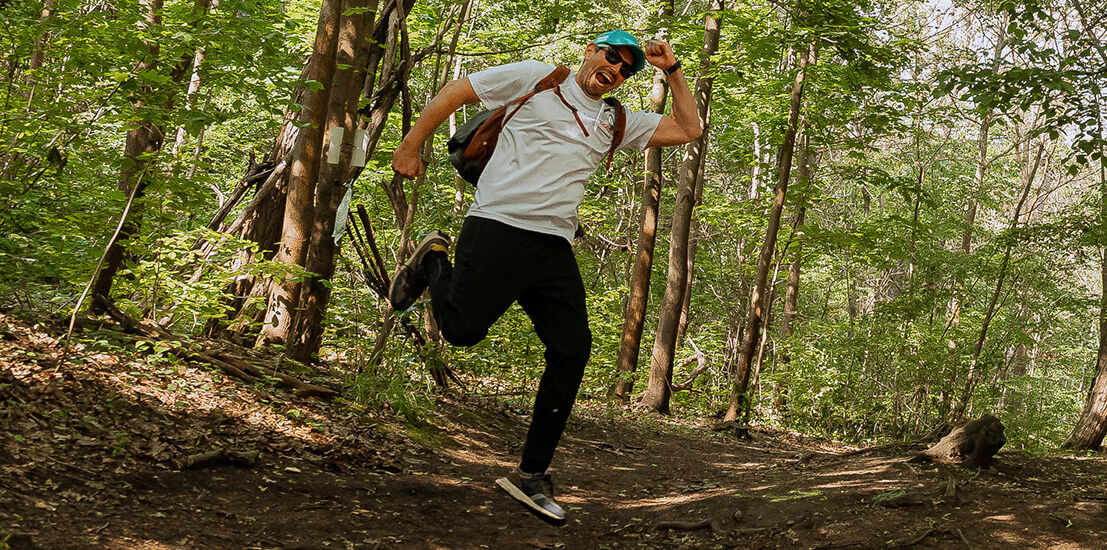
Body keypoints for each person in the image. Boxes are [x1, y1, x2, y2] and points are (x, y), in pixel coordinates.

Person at [390, 29, 701, 522]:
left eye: (626, 68)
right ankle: (433, 259)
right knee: (461, 331)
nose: (616, 69)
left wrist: (673, 70)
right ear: (591, 51)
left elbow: (688, 128)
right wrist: (411, 146)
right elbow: (457, 91)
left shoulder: (615, 121)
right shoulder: (537, 78)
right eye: (612, 56)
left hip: (553, 244)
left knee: (572, 349)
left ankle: (531, 474)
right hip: (496, 225)